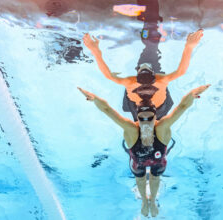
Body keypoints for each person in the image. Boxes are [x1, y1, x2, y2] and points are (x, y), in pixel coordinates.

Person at [77, 84, 210, 217]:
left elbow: (182, 107)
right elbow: (107, 109)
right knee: (140, 179)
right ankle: (144, 202)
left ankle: (152, 201)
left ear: (155, 117)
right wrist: (94, 99)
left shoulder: (162, 128)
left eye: (149, 118)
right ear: (137, 118)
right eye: (142, 119)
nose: (145, 122)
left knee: (155, 177)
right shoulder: (132, 129)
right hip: (138, 162)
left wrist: (192, 94)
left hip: (157, 161)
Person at [82, 29, 204, 120]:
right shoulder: (159, 80)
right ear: (154, 74)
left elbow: (108, 76)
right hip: (158, 109)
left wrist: (95, 50)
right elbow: (181, 72)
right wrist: (189, 47)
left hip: (141, 108)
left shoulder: (131, 81)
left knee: (138, 127)